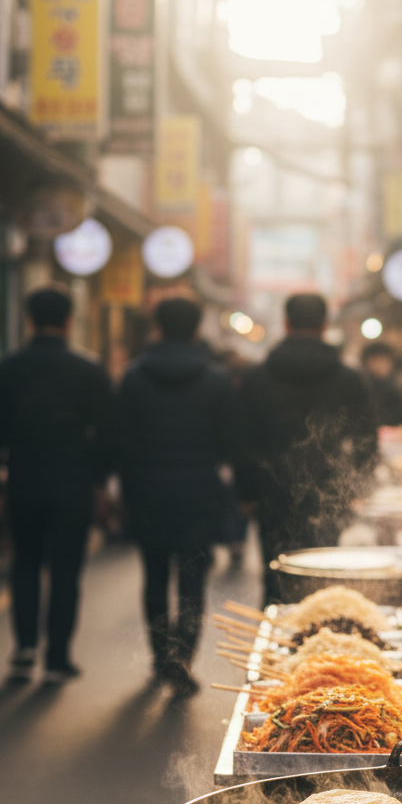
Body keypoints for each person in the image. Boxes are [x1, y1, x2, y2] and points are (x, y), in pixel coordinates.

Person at [0, 285, 114, 684]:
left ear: (29, 320)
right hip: (73, 485)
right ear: (70, 321)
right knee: (66, 570)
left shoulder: (7, 367)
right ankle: (57, 657)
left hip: (23, 481)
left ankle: (23, 648)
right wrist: (100, 480)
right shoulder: (89, 369)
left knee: (25, 564)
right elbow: (107, 433)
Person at [117, 298, 233, 697]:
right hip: (198, 492)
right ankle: (182, 657)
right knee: (192, 579)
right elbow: (227, 442)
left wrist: (125, 491)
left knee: (153, 577)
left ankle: (158, 657)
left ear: (158, 329)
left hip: (147, 491)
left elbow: (123, 441)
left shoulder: (134, 377)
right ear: (197, 330)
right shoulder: (215, 380)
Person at [235, 293, 378, 604]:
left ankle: (275, 646)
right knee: (323, 580)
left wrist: (246, 492)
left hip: (272, 492)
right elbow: (367, 437)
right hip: (329, 492)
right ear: (325, 326)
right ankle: (319, 645)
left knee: (276, 576)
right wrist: (356, 486)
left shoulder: (257, 378)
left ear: (285, 324)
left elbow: (242, 439)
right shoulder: (348, 378)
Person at [361, 341, 402, 427]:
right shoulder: (361, 389)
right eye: (375, 360)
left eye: (384, 360)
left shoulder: (398, 389)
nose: (379, 365)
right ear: (366, 363)